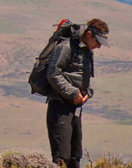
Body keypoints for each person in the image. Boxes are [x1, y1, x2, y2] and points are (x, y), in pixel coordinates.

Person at [45, 18, 110, 168]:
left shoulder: (86, 50)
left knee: (75, 155)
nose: (99, 46)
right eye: (98, 41)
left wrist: (87, 92)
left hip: (75, 107)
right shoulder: (66, 47)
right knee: (62, 157)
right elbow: (53, 74)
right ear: (88, 34)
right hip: (60, 107)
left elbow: (82, 77)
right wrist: (74, 93)